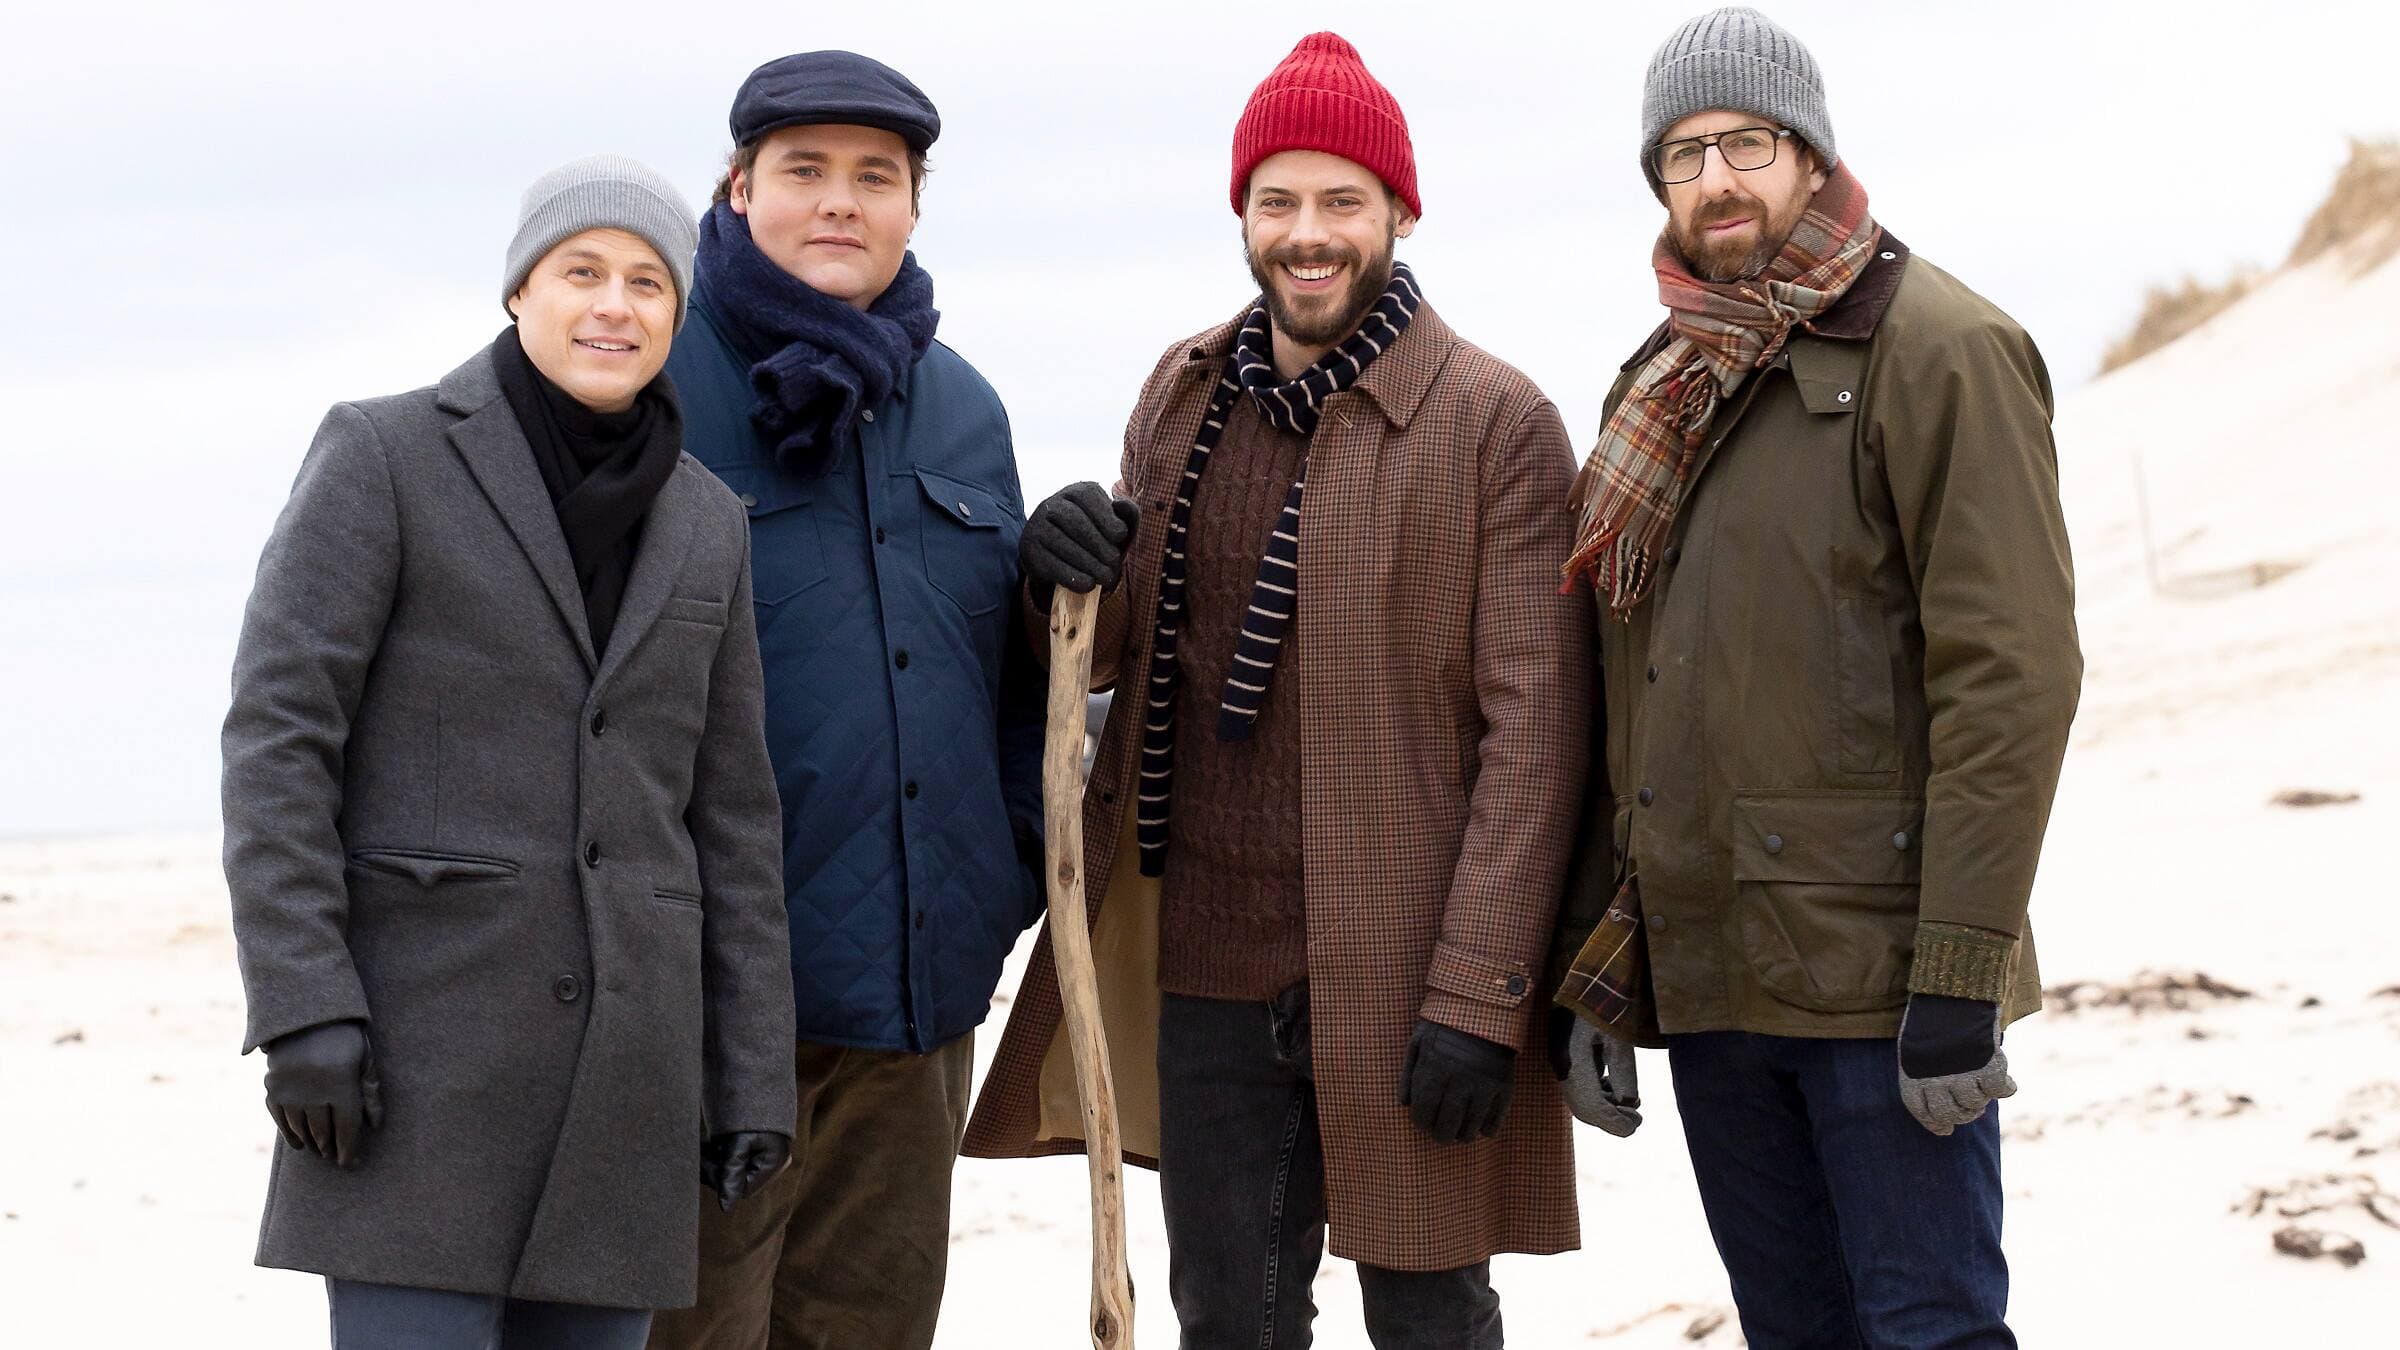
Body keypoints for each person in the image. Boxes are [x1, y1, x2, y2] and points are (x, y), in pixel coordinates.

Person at [964, 33, 1593, 1350]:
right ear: (1244, 213)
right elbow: (1122, 638)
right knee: (1230, 1316)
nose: (1309, 234)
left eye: (1341, 202)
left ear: (1399, 214)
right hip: (1206, 957)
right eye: (1280, 201)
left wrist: (1482, 999)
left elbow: (1535, 738)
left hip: (1408, 963)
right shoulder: (1184, 391)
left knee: (1430, 1310)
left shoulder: (1496, 423)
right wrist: (1059, 567)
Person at [1548, 9, 2083, 1348]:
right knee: (1793, 1330)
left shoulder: (1943, 348)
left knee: (1930, 1329)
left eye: (1746, 143)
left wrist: (1957, 975)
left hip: (1880, 987)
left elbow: (2011, 676)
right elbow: (1626, 698)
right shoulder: (1661, 384)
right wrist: (1594, 966)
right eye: (1682, 155)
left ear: (1810, 153)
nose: (1716, 179)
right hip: (1715, 978)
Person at [222, 154, 797, 1347]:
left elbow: (733, 814)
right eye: (580, 270)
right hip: (415, 1072)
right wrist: (301, 1007)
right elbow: (281, 741)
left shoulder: (708, 522)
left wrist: (749, 1077)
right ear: (518, 292)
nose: (613, 305)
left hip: (626, 1090)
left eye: (648, 283)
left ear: (677, 317)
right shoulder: (383, 456)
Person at [644, 51, 1046, 1350]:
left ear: (914, 205)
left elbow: (1006, 696)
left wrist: (996, 882)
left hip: (911, 1014)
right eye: (804, 170)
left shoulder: (967, 410)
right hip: (698, 1028)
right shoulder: (649, 389)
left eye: (876, 177)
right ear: (739, 183)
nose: (840, 203)